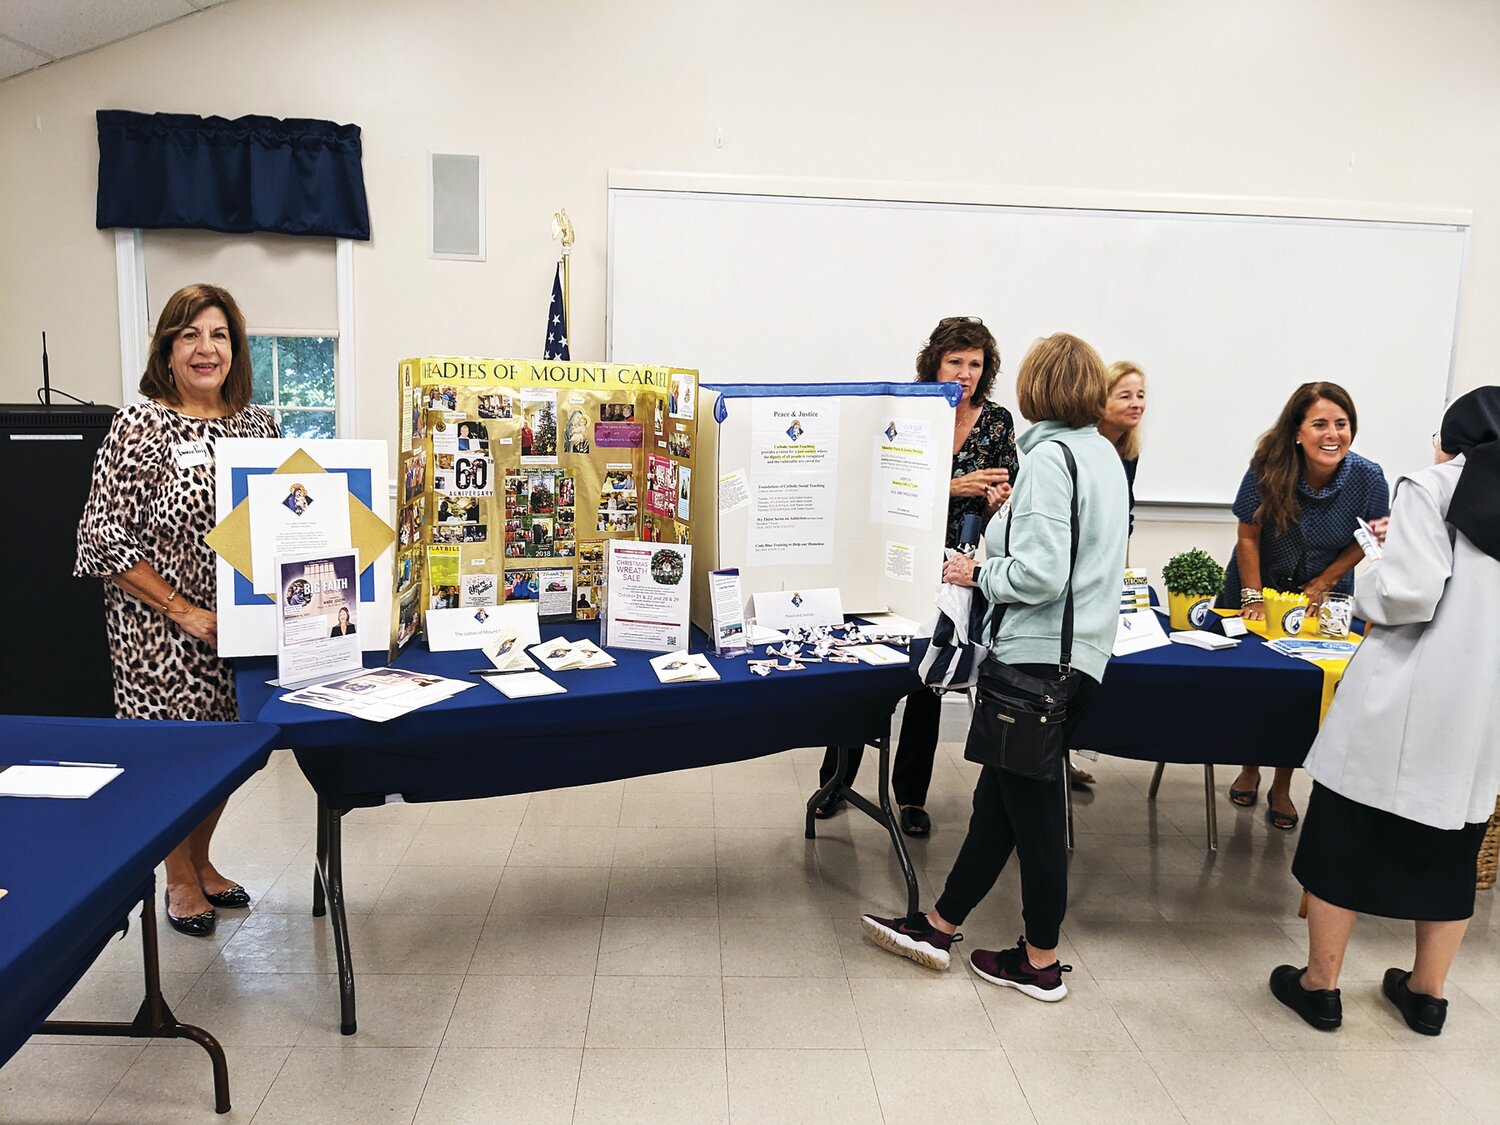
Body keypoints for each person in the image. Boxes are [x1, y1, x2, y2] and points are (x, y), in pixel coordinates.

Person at [860, 333, 1128, 999]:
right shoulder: (1102, 456)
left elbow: (1040, 574)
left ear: (1038, 389)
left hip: (1035, 664)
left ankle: (1040, 961)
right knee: (997, 807)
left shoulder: (1048, 461)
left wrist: (976, 567)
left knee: (1034, 820)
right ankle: (939, 925)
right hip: (1080, 660)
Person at [1269, 387, 1500, 1037]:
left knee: (1342, 839)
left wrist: (1373, 567)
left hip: (1405, 695)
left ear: (1453, 438)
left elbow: (1407, 593)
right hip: (1481, 710)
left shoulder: (1434, 487)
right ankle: (1427, 995)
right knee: (1453, 849)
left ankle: (1320, 987)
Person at [75, 283, 279, 937]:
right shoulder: (141, 425)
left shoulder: (257, 423)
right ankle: (179, 876)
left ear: (235, 347)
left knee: (230, 752)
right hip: (161, 629)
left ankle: (203, 857)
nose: (205, 348)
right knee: (176, 761)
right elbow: (100, 536)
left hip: (240, 627)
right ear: (167, 348)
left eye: (218, 334)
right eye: (189, 334)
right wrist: (183, 610)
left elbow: (284, 520)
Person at [816, 316, 1018, 835]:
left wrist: (998, 501)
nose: (966, 373)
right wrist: (953, 488)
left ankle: (911, 797)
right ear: (934, 362)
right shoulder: (905, 412)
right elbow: (880, 486)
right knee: (864, 671)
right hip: (892, 557)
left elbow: (1005, 499)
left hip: (957, 565)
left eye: (976, 364)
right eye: (956, 361)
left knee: (931, 679)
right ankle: (835, 780)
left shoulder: (996, 423)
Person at [1219, 382, 1389, 830]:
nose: (1332, 434)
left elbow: (1372, 537)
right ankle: (1249, 767)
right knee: (1259, 685)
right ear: (1297, 432)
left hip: (1325, 593)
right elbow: (1248, 536)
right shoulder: (1267, 467)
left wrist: (1327, 579)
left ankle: (1282, 785)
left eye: (1341, 424)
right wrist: (1252, 598)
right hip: (1259, 584)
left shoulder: (1368, 477)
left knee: (1301, 690)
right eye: (1320, 424)